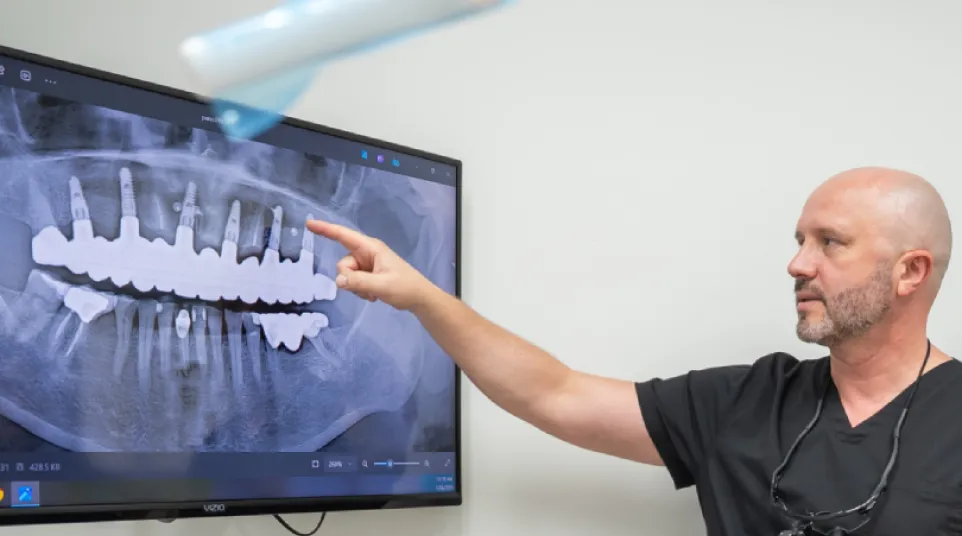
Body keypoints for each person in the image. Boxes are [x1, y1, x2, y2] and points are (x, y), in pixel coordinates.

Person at [306, 166, 961, 536]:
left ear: (910, 272)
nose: (796, 264)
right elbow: (552, 394)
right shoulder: (747, 401)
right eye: (799, 239)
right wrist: (423, 296)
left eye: (830, 243)